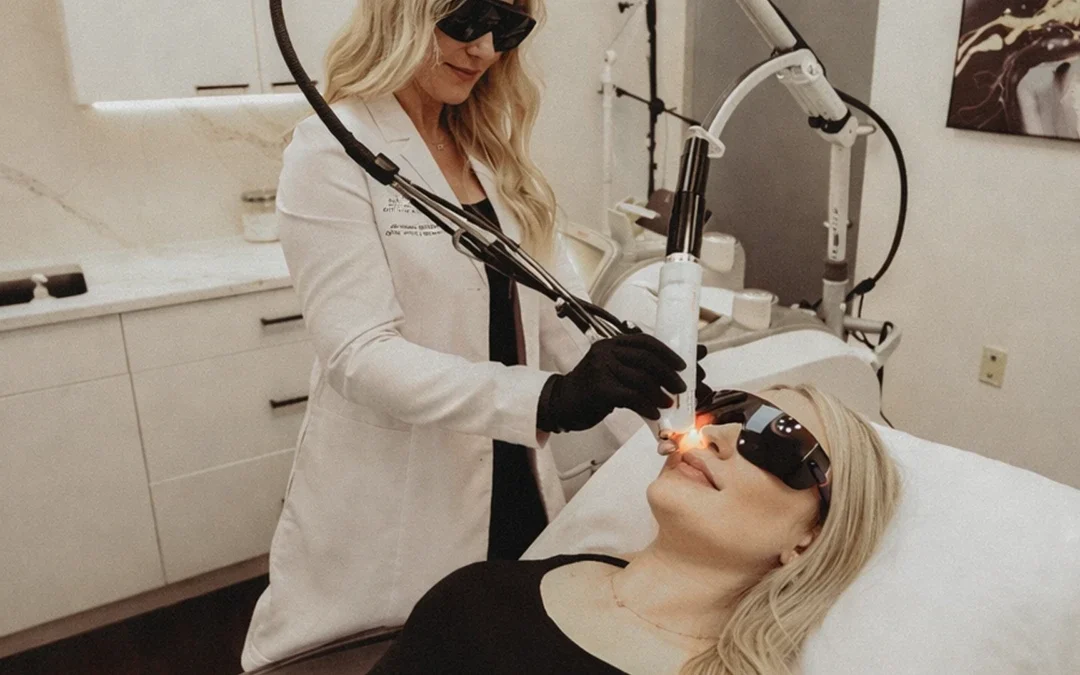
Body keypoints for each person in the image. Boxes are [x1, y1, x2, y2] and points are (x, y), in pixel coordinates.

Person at [241, 0, 707, 669]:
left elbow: (561, 317)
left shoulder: (490, 150)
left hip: (516, 486)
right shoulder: (331, 147)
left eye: (508, 29)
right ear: (402, 13)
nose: (484, 49)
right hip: (400, 508)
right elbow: (359, 353)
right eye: (465, 21)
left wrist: (658, 390)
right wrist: (548, 399)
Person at [367, 385, 903, 674]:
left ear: (807, 538)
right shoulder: (479, 593)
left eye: (777, 441)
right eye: (725, 410)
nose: (716, 434)